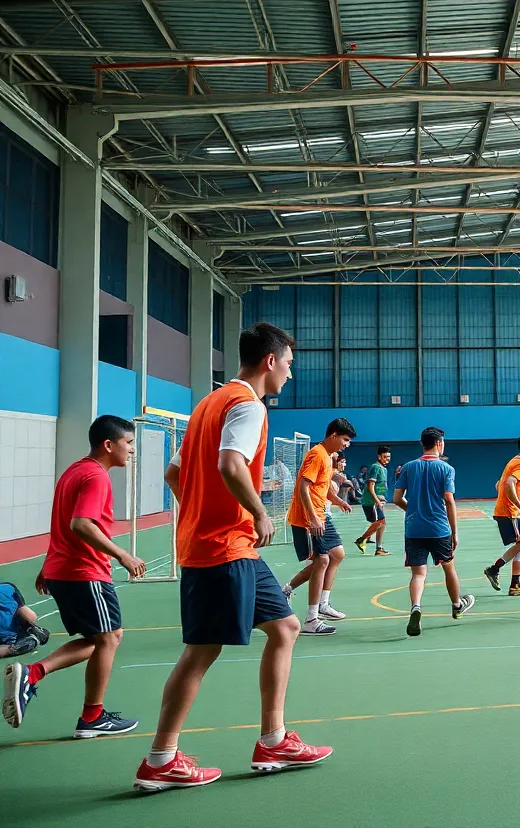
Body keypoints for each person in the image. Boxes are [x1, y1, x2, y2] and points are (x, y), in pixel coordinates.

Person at [134, 322, 330, 792]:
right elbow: (228, 464)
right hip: (223, 547)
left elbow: (174, 473)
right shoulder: (247, 406)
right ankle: (160, 758)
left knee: (285, 626)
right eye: (288, 364)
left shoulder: (207, 405)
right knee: (201, 652)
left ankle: (274, 739)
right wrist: (258, 511)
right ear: (270, 361)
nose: (289, 373)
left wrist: (206, 509)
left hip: (227, 544)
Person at [2, 415, 144, 737]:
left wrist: (48, 565)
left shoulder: (73, 471)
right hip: (85, 572)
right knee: (109, 638)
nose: (132, 450)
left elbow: (61, 523)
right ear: (109, 445)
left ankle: (34, 674)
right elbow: (79, 524)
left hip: (64, 570)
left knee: (98, 639)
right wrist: (123, 554)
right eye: (129, 443)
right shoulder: (96, 477)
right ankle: (92, 718)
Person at [392, 427, 474, 636]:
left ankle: (416, 607)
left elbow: (396, 499)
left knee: (418, 574)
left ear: (422, 444)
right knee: (448, 568)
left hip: (414, 529)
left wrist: (412, 510)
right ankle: (456, 605)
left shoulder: (409, 467)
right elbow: (449, 500)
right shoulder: (446, 469)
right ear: (439, 444)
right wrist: (455, 531)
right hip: (439, 529)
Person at [281, 419, 356, 633]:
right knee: (322, 560)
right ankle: (311, 618)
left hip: (321, 515)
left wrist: (338, 501)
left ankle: (322, 603)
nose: (346, 444)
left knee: (337, 554)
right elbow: (304, 486)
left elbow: (321, 487)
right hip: (309, 518)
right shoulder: (317, 454)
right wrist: (313, 517)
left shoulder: (327, 457)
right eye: (345, 439)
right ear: (333, 435)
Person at [484, 436, 520, 597]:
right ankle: (494, 569)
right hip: (511, 512)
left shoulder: (513, 461)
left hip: (510, 511)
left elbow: (499, 484)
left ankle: (515, 585)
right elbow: (508, 483)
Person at [355, 446, 392, 555]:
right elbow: (371, 486)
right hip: (371, 502)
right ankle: (362, 539)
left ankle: (379, 548)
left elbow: (380, 486)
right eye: (385, 457)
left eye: (389, 457)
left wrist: (382, 497)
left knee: (382, 523)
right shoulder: (375, 467)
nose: (387, 459)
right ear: (379, 456)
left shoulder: (384, 469)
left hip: (378, 501)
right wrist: (377, 500)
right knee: (379, 522)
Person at [0, 583, 49, 659]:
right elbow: (31, 617)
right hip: (12, 637)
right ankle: (11, 649)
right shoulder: (8, 588)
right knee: (38, 635)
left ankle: (11, 648)